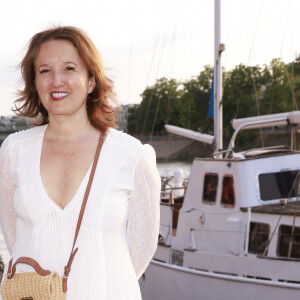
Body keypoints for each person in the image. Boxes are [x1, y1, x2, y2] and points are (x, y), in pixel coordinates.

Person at [0, 26, 160, 299]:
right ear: (35, 82)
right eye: (45, 71)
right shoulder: (14, 151)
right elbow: (13, 237)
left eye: (70, 68)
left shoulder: (131, 156)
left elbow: (141, 248)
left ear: (91, 81)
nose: (56, 81)